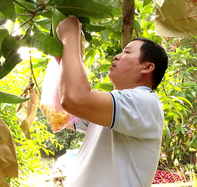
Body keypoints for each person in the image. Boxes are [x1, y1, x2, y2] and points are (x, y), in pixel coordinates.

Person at [56, 17, 168, 187]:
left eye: (127, 52)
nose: (117, 56)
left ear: (147, 67)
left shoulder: (144, 101)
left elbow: (75, 99)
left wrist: (69, 37)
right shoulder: (115, 107)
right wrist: (66, 54)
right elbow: (59, 114)